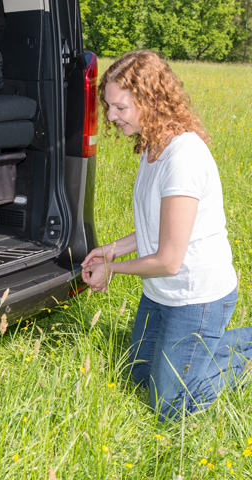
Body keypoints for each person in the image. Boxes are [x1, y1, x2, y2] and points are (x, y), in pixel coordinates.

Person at [82, 50, 252, 421]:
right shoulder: (152, 146)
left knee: (170, 406)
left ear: (151, 101)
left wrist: (114, 270)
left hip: (197, 297)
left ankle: (245, 350)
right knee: (138, 375)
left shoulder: (183, 158)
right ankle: (210, 348)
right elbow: (155, 229)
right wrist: (111, 250)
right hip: (160, 293)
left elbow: (169, 260)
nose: (110, 116)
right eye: (108, 106)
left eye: (120, 108)